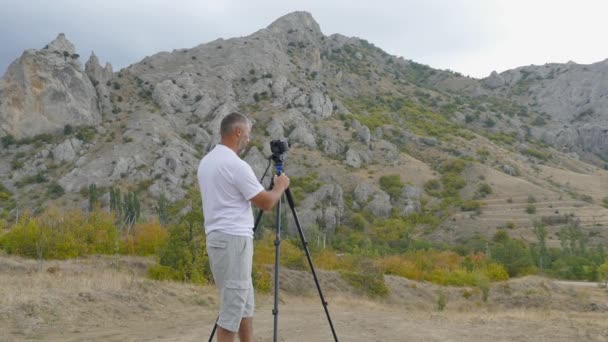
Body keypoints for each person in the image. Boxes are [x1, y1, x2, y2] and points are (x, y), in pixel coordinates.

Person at [197, 112, 290, 342]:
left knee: (243, 307)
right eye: (247, 133)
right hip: (233, 242)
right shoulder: (235, 165)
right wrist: (280, 186)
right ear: (238, 131)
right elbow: (266, 202)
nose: (249, 139)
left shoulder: (207, 161)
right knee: (231, 314)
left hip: (219, 239)